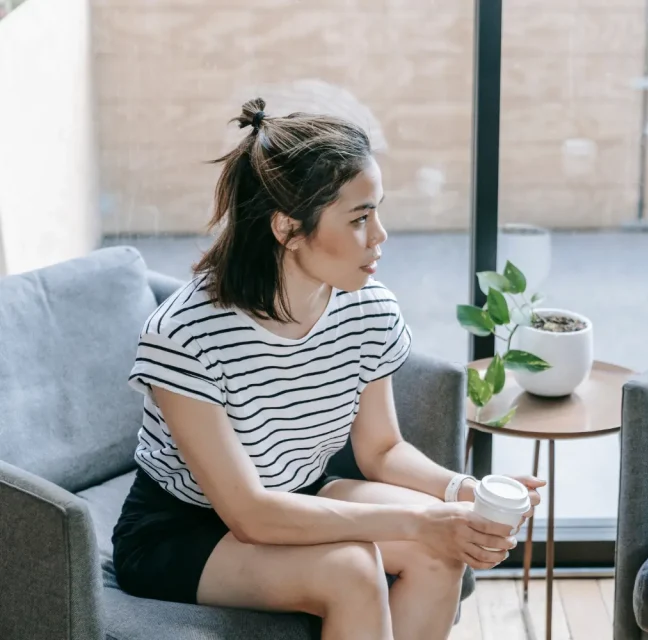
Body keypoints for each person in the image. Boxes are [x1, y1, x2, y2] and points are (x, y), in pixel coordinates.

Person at [111, 98, 544, 640]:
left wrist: (462, 490)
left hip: (299, 493)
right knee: (353, 573)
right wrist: (418, 519)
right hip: (182, 529)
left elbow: (382, 450)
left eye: (378, 211)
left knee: (439, 552)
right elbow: (251, 514)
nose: (380, 235)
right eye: (360, 218)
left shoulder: (367, 306)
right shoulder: (185, 335)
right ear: (288, 228)